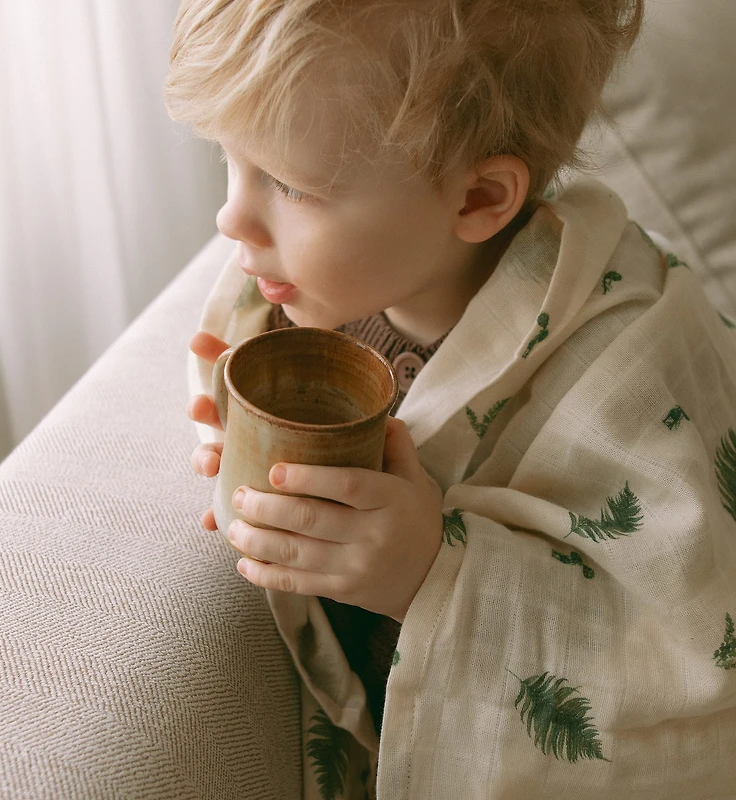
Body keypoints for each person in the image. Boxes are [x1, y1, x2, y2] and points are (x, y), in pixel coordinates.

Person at [164, 1, 736, 796]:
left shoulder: (628, 354)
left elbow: (689, 660)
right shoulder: (309, 293)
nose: (231, 215)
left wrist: (427, 571)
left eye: (288, 183)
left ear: (478, 200)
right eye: (230, 160)